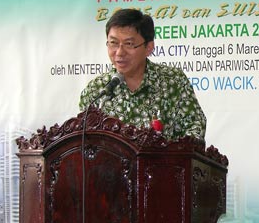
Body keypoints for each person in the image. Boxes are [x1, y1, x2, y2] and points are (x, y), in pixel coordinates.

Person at [79, 8, 206, 140]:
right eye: (113, 43)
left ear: (149, 47)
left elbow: (195, 128)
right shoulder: (96, 91)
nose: (119, 52)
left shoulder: (173, 82)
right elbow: (85, 144)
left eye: (129, 44)